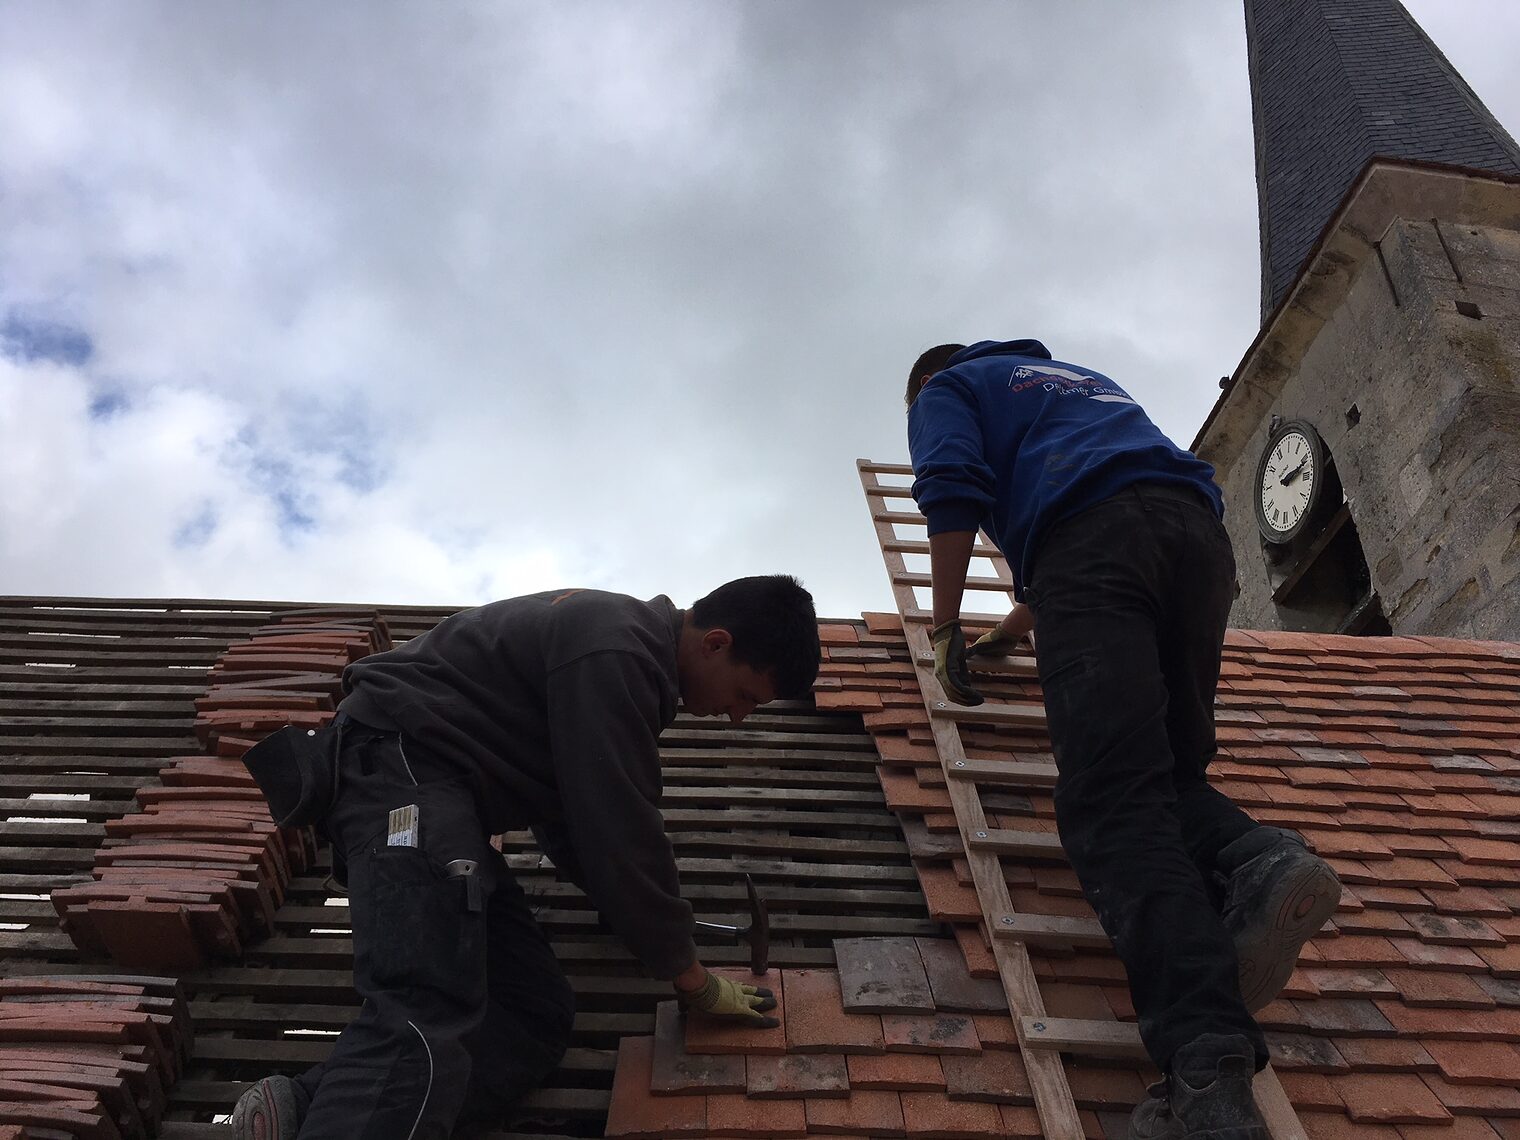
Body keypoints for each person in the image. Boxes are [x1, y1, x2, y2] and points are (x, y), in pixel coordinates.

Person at [905, 341, 1341, 1140]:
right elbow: (1116, 505)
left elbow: (953, 490)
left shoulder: (948, 388)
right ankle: (1262, 858)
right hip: (1196, 544)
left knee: (1112, 805)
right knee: (1170, 775)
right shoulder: (1077, 384)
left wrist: (942, 630)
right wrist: (1011, 629)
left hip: (1094, 547)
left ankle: (1205, 1071)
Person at [230, 575, 820, 1139]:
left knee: (531, 1012)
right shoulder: (618, 648)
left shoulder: (622, 656)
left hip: (440, 803)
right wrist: (687, 974)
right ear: (717, 643)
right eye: (746, 695)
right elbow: (618, 822)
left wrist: (628, 913)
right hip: (402, 777)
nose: (739, 715)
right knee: (427, 1000)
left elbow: (571, 822)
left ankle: (305, 1110)